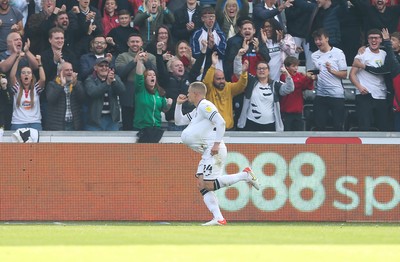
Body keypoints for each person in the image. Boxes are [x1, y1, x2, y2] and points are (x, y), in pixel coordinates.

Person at [174, 81, 260, 226]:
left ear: (196, 93)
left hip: (214, 150)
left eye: (189, 92)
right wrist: (178, 104)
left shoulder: (205, 105)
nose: (187, 94)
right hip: (207, 152)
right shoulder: (197, 111)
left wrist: (216, 143)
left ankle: (245, 175)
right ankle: (219, 218)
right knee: (202, 184)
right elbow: (179, 121)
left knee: (208, 184)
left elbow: (221, 122)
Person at [352, 28, 400, 131]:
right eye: (371, 38)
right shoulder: (362, 53)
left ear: (381, 40)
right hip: (365, 94)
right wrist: (359, 87)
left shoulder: (385, 54)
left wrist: (364, 66)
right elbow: (352, 74)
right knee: (365, 126)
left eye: (376, 38)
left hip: (382, 95)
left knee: (384, 127)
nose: (374, 40)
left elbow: (382, 70)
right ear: (368, 40)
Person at [115, 33, 156, 130]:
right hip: (128, 97)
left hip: (146, 96)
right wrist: (134, 61)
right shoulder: (122, 56)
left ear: (141, 43)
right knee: (128, 127)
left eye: (137, 42)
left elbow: (156, 74)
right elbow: (121, 74)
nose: (135, 44)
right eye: (132, 42)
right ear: (128, 43)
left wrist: (147, 62)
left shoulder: (151, 57)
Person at [237, 61, 294, 131]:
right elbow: (237, 73)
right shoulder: (250, 81)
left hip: (270, 124)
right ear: (256, 71)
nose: (261, 70)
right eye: (259, 68)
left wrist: (287, 74)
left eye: (264, 68)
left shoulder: (275, 84)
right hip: (251, 122)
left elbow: (289, 89)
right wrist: (239, 57)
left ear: (269, 71)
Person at [310, 28, 347, 131]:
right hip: (321, 94)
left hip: (336, 94)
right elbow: (316, 73)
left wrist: (332, 71)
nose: (318, 42)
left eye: (320, 39)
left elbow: (344, 74)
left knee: (338, 125)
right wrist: (312, 77)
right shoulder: (314, 55)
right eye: (316, 40)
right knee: (319, 125)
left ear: (327, 39)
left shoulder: (338, 53)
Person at [204, 51, 248, 130]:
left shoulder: (229, 87)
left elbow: (241, 86)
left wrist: (244, 73)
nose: (221, 81)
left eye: (223, 78)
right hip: (213, 130)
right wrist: (213, 65)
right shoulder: (209, 89)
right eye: (218, 79)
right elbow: (206, 82)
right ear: (213, 79)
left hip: (228, 129)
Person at [134, 50, 172, 142]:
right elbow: (139, 76)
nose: (152, 77)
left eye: (154, 75)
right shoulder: (141, 89)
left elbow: (164, 109)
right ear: (145, 78)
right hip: (142, 129)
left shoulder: (159, 92)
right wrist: (139, 61)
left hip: (156, 129)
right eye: (149, 75)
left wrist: (169, 104)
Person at [84, 57, 125, 131]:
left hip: (112, 120)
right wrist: (107, 83)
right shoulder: (90, 79)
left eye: (106, 66)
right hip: (95, 121)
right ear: (95, 68)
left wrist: (113, 81)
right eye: (101, 66)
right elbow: (93, 92)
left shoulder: (115, 77)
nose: (104, 68)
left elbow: (122, 90)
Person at [10, 52, 46, 130]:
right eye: (23, 73)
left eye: (28, 73)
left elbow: (43, 79)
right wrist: (18, 60)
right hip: (18, 123)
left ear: (32, 77)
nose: (26, 75)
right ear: (20, 76)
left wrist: (39, 63)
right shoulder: (17, 88)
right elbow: (12, 76)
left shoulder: (36, 89)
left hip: (35, 123)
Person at [45, 62, 85, 130]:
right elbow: (51, 99)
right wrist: (61, 85)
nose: (69, 72)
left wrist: (75, 84)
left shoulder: (77, 84)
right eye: (67, 70)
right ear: (60, 72)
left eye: (71, 70)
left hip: (74, 125)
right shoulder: (52, 84)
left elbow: (82, 99)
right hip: (57, 126)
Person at [191, 6, 226, 79]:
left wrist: (214, 46)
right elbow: (195, 54)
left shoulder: (220, 34)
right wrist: (207, 49)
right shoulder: (197, 34)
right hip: (201, 70)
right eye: (208, 17)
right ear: (202, 19)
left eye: (213, 16)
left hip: (217, 69)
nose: (211, 19)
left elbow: (223, 54)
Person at [280, 56, 315, 131]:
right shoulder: (283, 76)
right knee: (286, 135)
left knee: (299, 134)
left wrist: (310, 79)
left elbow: (307, 87)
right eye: (293, 66)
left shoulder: (300, 76)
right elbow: (293, 85)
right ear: (287, 67)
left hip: (298, 111)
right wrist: (305, 77)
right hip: (286, 112)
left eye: (296, 66)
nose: (296, 68)